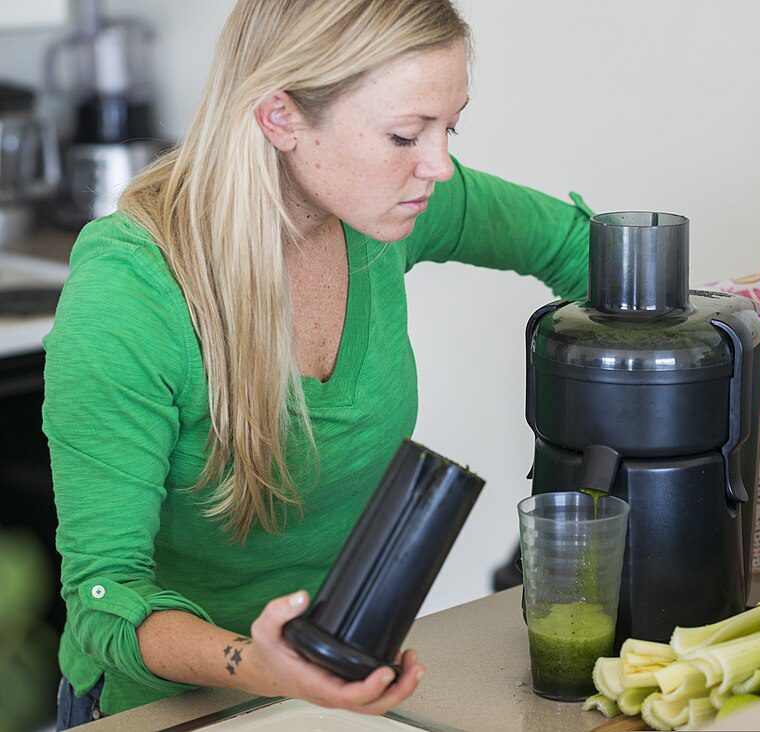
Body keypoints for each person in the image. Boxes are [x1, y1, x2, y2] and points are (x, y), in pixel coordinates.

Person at [43, 0, 591, 728]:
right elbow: (104, 600)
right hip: (162, 712)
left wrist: (730, 358)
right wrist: (260, 664)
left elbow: (579, 247)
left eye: (447, 127)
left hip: (330, 698)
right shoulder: (130, 294)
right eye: (404, 134)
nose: (440, 165)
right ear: (281, 118)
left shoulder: (389, 210)